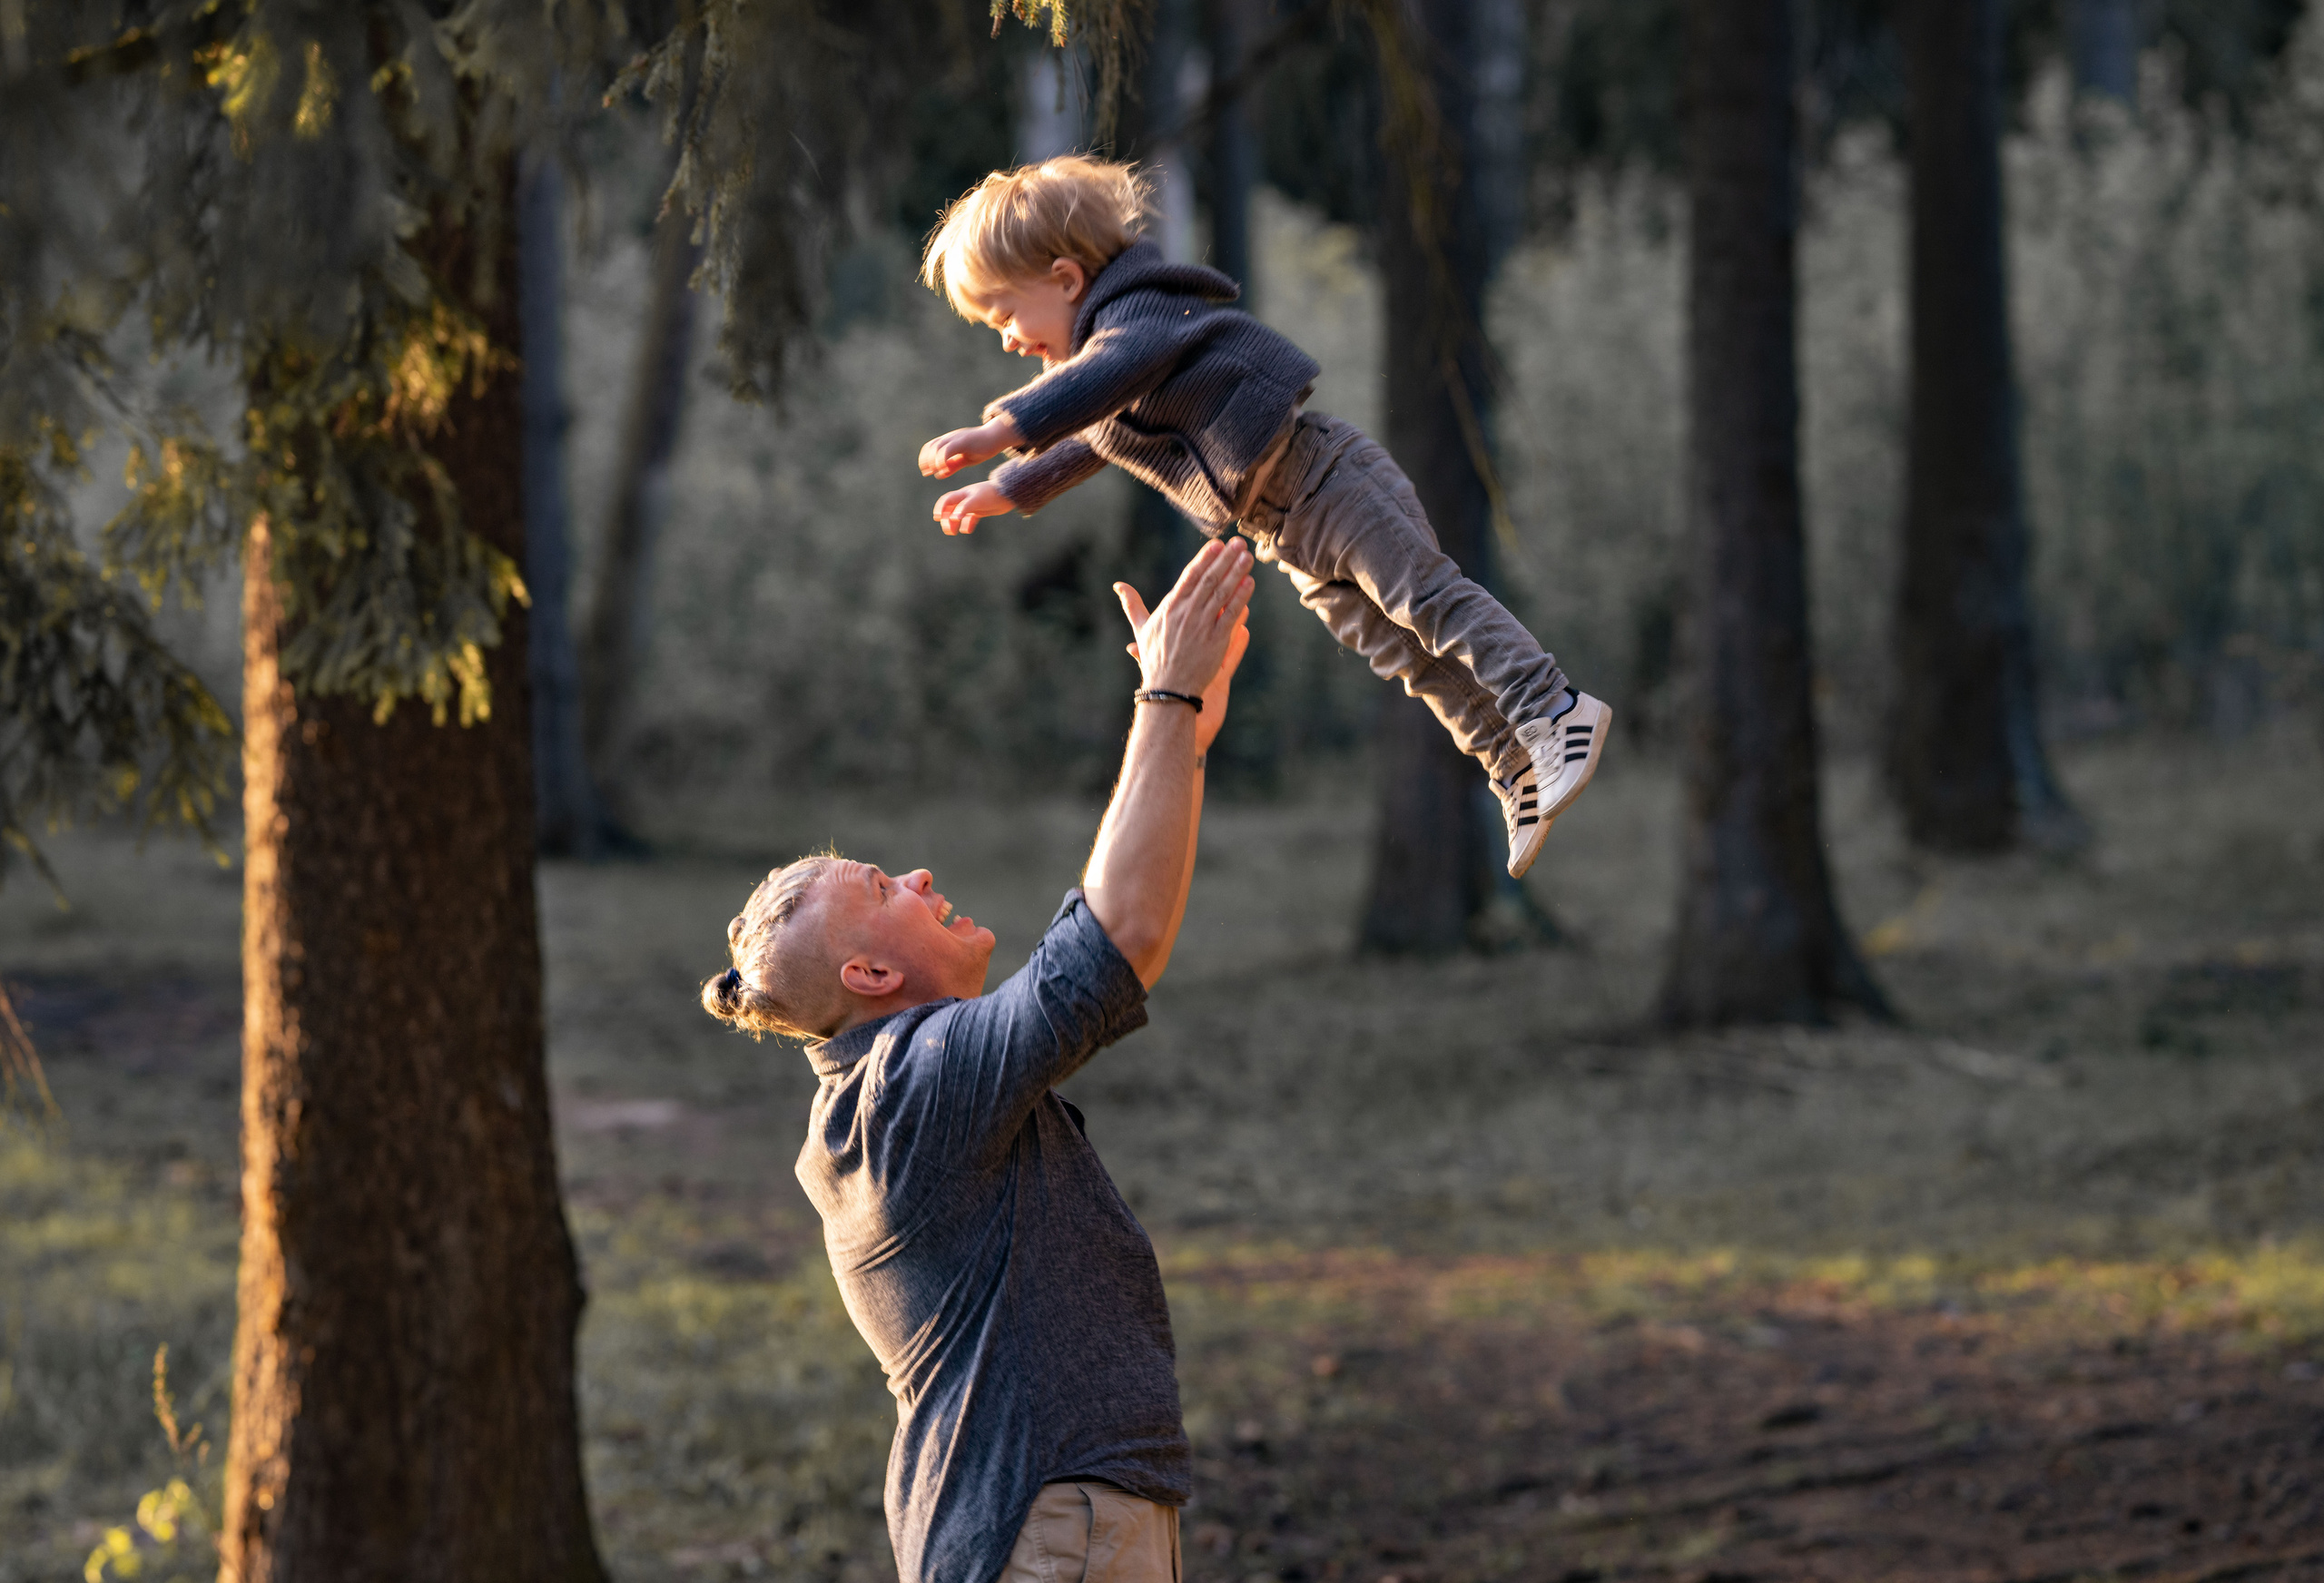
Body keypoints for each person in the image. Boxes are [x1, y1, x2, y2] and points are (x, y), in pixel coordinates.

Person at [701, 537, 1259, 1583]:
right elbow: (1117, 939)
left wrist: (1177, 744)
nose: (917, 873)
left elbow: (1120, 932)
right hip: (1052, 1535)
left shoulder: (878, 1101)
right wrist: (1167, 700)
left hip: (1043, 1530)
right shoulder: (910, 1090)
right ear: (868, 973)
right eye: (882, 886)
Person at [913, 154, 1611, 880]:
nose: (1007, 339)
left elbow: (1112, 370)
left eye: (1005, 315)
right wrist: (1009, 487)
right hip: (1286, 528)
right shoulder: (1104, 369)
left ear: (1065, 279)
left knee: (1425, 600)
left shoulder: (1139, 315)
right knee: (1402, 652)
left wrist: (1001, 429)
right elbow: (1098, 432)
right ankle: (1512, 762)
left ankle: (1554, 709)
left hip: (1325, 477)